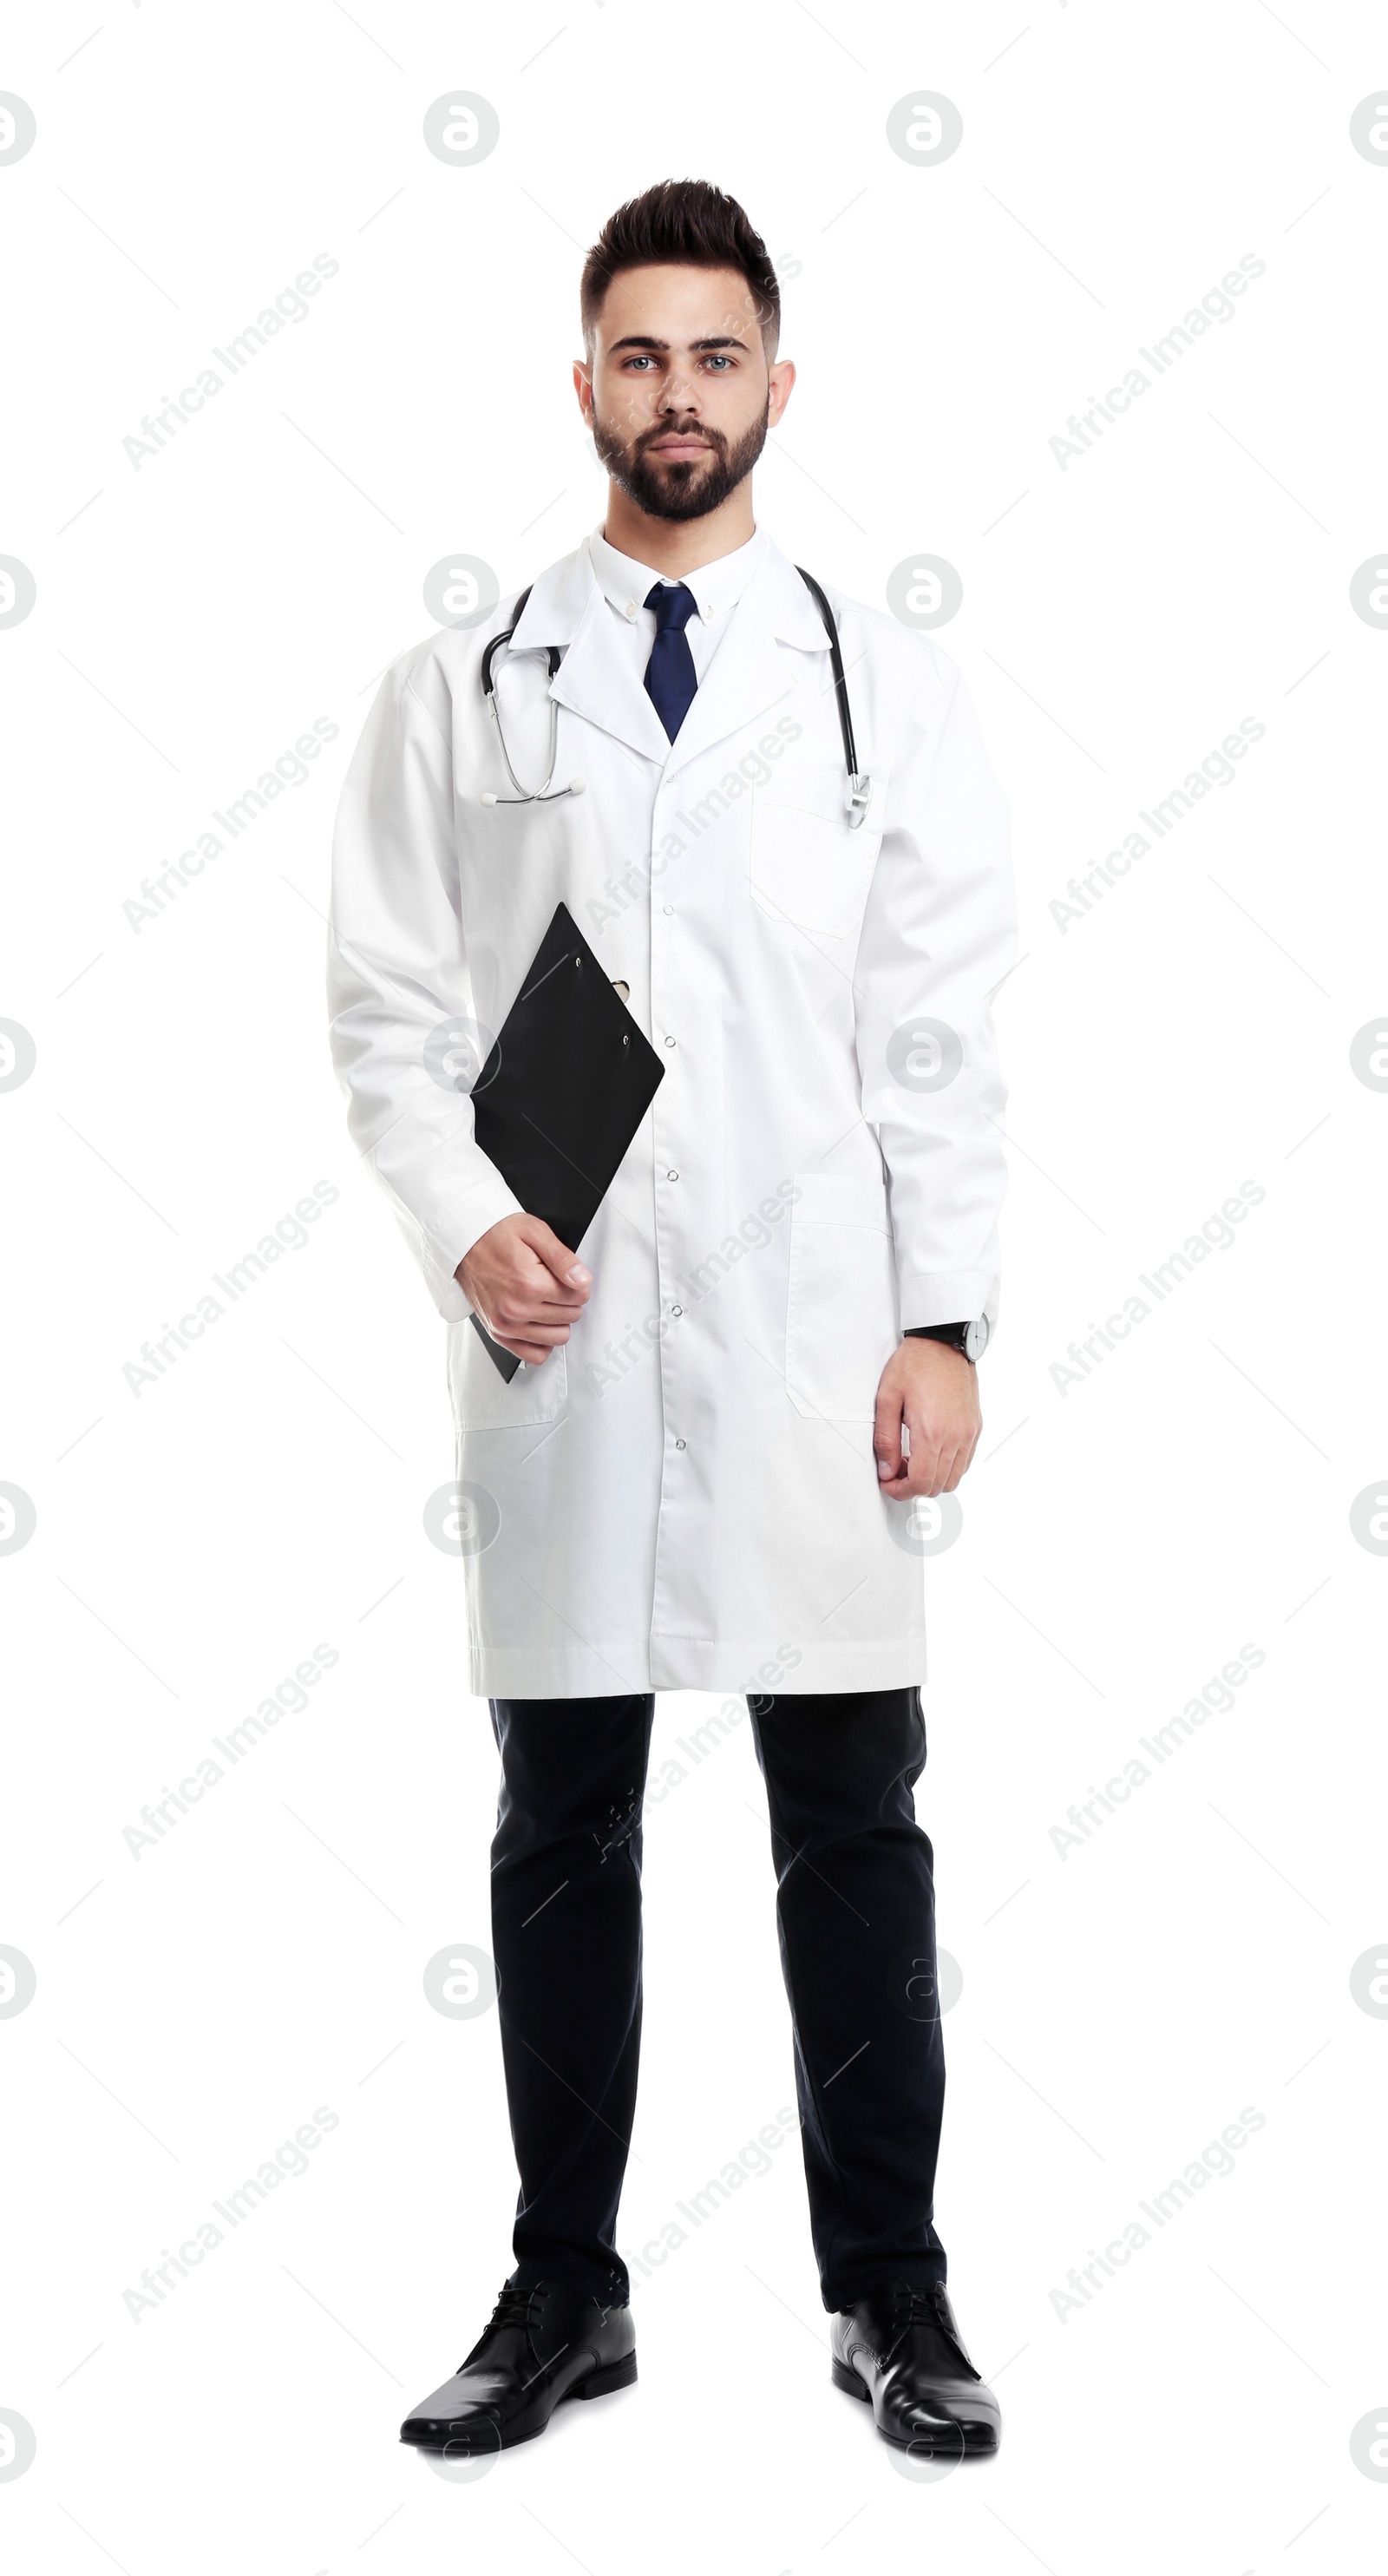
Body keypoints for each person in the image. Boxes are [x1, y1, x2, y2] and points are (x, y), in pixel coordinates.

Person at [327, 179, 1015, 2460]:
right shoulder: (462, 684)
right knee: (562, 1823)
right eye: (641, 356)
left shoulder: (875, 677)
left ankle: (894, 2297)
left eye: (719, 358)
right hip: (571, 1338)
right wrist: (456, 1217)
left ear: (777, 388)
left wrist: (948, 1324)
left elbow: (936, 1024)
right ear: (586, 383)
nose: (680, 396)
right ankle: (563, 2290)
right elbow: (390, 1000)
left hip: (824, 1347)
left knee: (854, 1820)